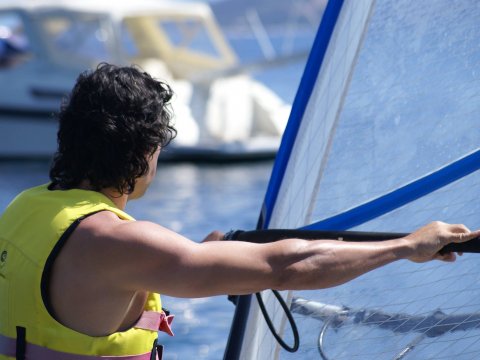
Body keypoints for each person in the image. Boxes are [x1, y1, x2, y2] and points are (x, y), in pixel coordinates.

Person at [0, 63, 478, 360]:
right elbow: (287, 265)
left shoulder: (25, 211)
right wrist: (407, 245)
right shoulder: (116, 241)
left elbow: (86, 295)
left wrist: (195, 258)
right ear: (145, 151)